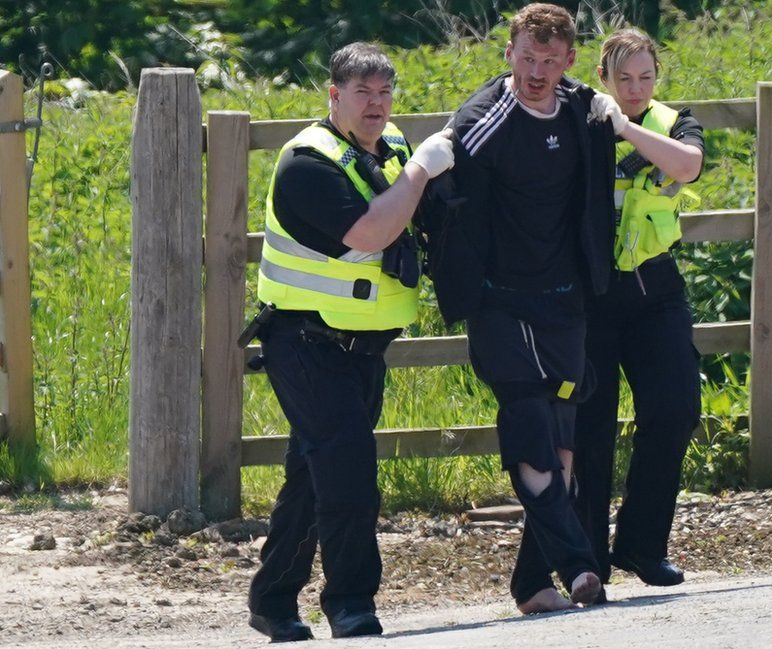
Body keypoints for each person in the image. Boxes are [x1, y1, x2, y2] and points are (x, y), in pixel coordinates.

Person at [245, 42, 453, 642]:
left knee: (315, 474)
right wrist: (421, 170)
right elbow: (373, 229)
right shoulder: (306, 163)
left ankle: (273, 599)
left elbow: (432, 224)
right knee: (349, 470)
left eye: (385, 93)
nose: (376, 105)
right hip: (304, 341)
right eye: (362, 93)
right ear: (333, 96)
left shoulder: (391, 152)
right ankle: (351, 605)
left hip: (363, 347)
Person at [423, 3, 616, 614]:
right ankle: (582, 565)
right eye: (527, 58)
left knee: (562, 445)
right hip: (499, 301)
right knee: (530, 425)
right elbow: (432, 191)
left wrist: (615, 116)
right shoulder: (483, 121)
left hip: (565, 298)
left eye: (550, 61)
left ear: (568, 61)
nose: (537, 72)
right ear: (508, 55)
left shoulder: (582, 109)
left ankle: (531, 585)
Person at [575, 28, 705, 594]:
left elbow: (689, 167)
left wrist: (626, 129)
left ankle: (642, 547)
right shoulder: (574, 121)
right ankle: (588, 560)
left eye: (645, 77)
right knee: (590, 427)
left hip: (656, 290)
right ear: (603, 77)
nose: (635, 87)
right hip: (591, 294)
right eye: (623, 78)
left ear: (657, 78)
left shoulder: (674, 122)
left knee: (675, 410)